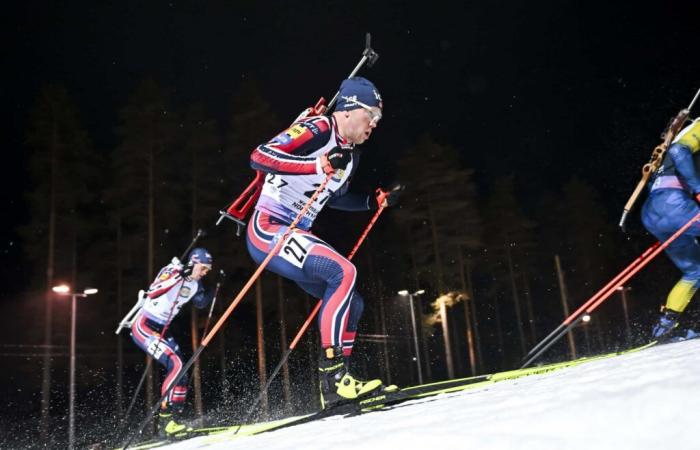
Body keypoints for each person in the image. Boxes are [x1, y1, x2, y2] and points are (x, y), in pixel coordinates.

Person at [245, 76, 402, 408]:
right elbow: (260, 155)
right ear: (348, 109)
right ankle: (334, 375)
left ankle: (332, 390)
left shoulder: (351, 156)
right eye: (370, 114)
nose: (374, 123)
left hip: (296, 232)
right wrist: (317, 163)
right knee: (343, 272)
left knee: (353, 304)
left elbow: (333, 198)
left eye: (378, 119)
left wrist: (372, 203)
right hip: (269, 227)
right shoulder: (318, 128)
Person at [130, 248, 214, 437]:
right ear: (192, 263)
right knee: (175, 364)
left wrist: (214, 290)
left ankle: (172, 421)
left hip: (162, 330)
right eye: (203, 268)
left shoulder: (194, 283)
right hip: (145, 326)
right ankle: (165, 420)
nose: (204, 273)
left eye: (208, 270)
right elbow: (153, 292)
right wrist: (178, 276)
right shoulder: (172, 270)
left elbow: (200, 302)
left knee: (181, 372)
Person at [642, 118, 700, 342]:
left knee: (695, 271)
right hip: (673, 204)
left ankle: (664, 329)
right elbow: (678, 151)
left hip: (654, 213)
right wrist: (697, 190)